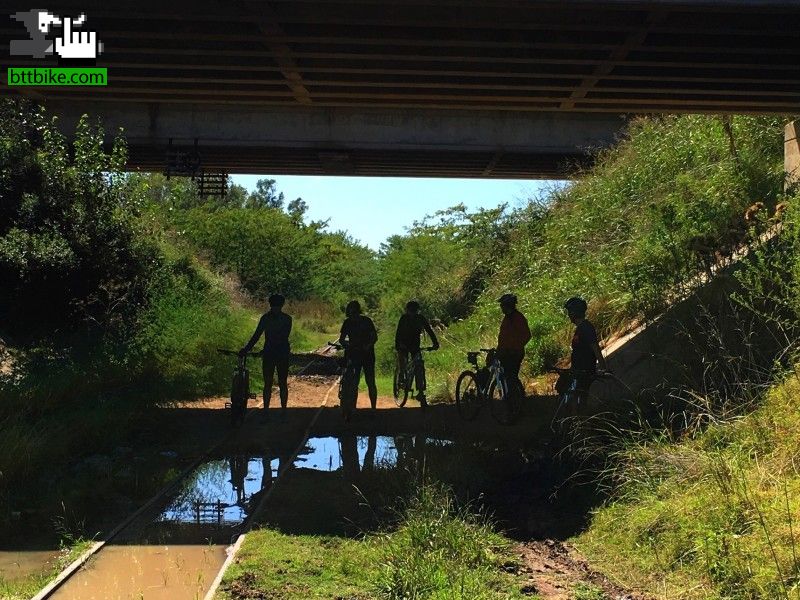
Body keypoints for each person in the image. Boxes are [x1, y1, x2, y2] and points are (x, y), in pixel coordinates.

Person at [240, 293, 292, 422]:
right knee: (273, 383)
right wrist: (247, 348)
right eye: (275, 305)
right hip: (279, 352)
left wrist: (248, 349)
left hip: (273, 353)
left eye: (277, 306)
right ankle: (275, 411)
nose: (275, 307)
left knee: (278, 383)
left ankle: (276, 411)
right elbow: (258, 335)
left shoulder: (267, 318)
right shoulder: (286, 319)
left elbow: (259, 336)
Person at [563, 296, 608, 415]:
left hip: (584, 371)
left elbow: (595, 347)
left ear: (574, 313)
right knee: (575, 397)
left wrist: (603, 366)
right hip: (578, 369)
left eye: (569, 312)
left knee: (577, 398)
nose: (568, 315)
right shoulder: (580, 328)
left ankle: (578, 423)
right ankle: (578, 421)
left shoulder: (586, 328)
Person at [394, 300, 440, 407]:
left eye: (414, 311)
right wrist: (398, 345)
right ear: (407, 310)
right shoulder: (404, 319)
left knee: (419, 365)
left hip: (415, 345)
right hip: (403, 344)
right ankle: (401, 375)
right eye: (411, 311)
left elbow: (429, 331)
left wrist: (435, 343)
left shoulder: (420, 318)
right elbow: (398, 333)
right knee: (402, 359)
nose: (412, 313)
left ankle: (420, 392)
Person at [337, 300, 378, 415]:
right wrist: (349, 346)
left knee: (364, 382)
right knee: (358, 382)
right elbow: (374, 338)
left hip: (363, 354)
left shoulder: (353, 322)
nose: (353, 314)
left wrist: (364, 346)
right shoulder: (362, 321)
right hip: (361, 354)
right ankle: (364, 408)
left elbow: (374, 337)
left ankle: (368, 408)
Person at [496, 293, 531, 397]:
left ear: (507, 305)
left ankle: (516, 400)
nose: (501, 307)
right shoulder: (507, 318)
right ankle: (512, 399)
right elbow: (503, 337)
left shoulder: (517, 318)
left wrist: (515, 348)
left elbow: (527, 335)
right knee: (508, 377)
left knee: (511, 377)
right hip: (505, 352)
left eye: (502, 305)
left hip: (514, 353)